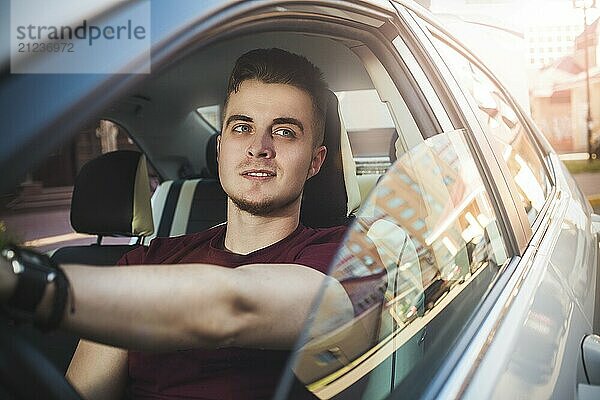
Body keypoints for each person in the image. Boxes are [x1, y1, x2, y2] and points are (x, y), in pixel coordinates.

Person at [0, 48, 354, 399]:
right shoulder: (146, 262)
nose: (259, 147)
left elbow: (232, 305)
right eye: (242, 127)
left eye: (285, 132)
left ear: (314, 161)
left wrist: (25, 283)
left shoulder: (344, 258)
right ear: (219, 149)